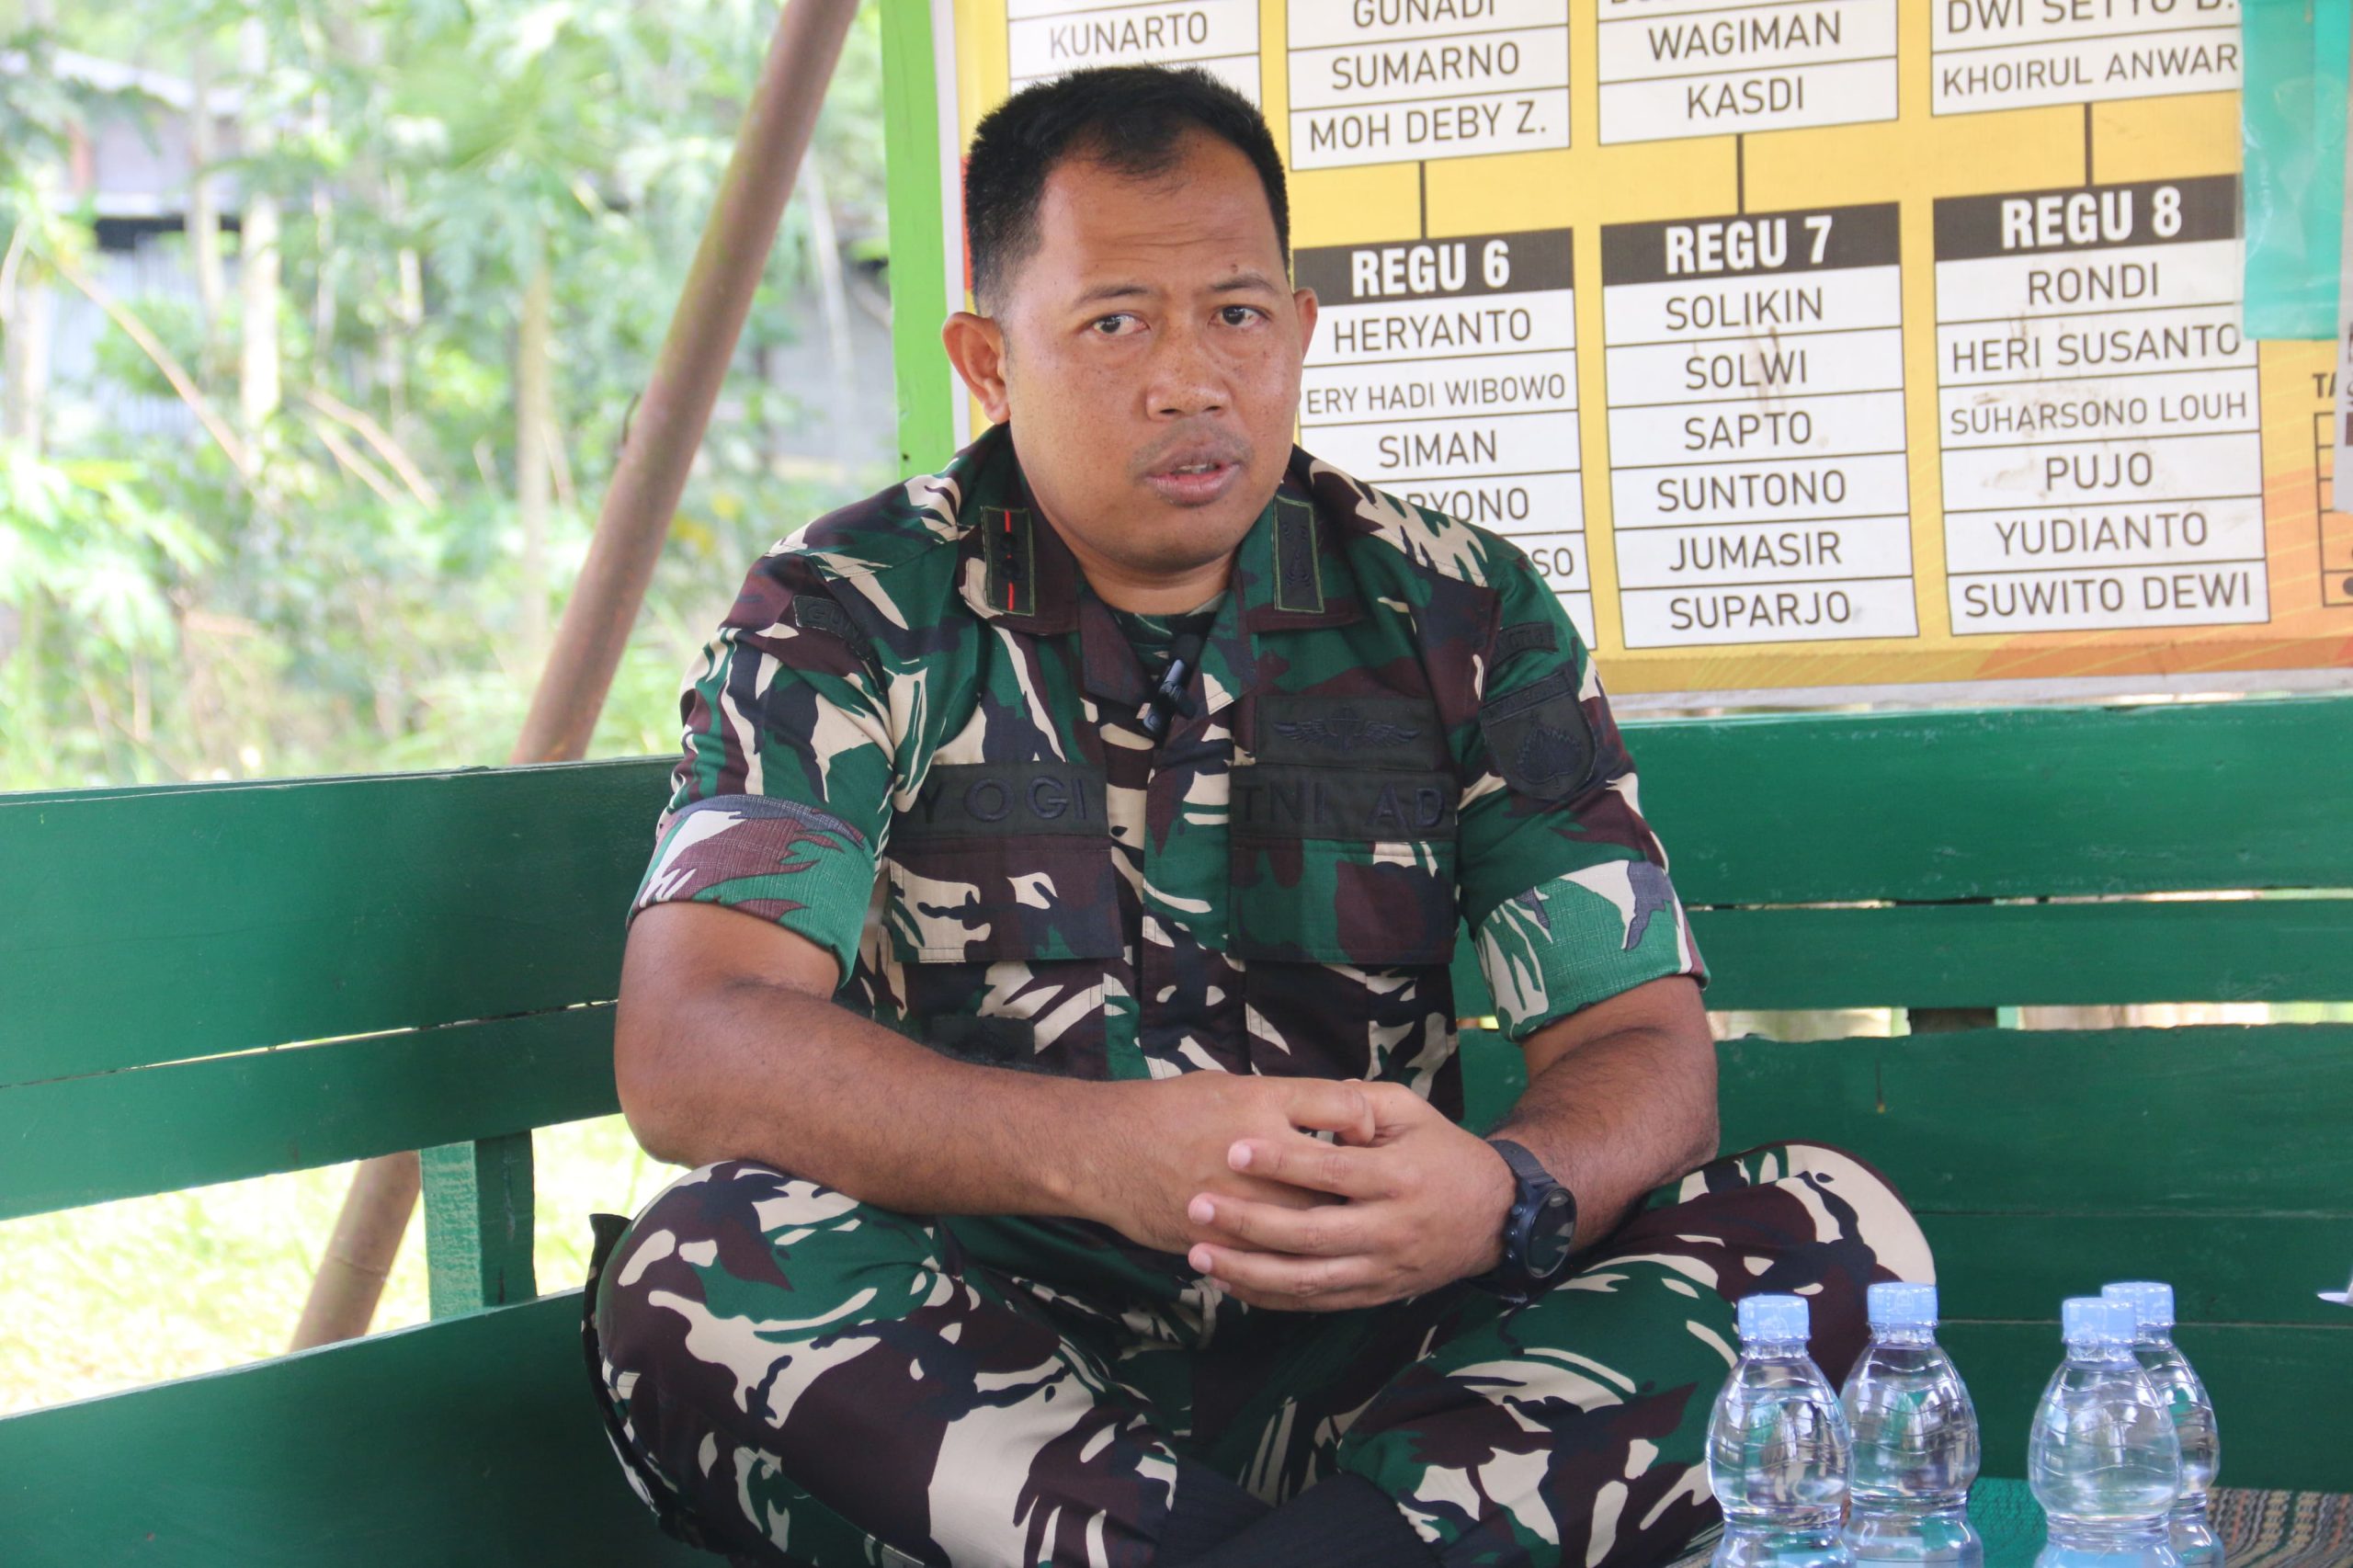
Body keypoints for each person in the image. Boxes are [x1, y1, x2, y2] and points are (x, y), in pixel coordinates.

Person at [584, 63, 1929, 1568]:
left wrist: (1503, 1191)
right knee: (696, 1267)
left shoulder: (1458, 608)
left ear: (1297, 330)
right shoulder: (848, 614)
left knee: (1828, 1233)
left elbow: (1643, 1049)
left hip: (1396, 1364)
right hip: (988, 1382)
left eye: (1235, 314)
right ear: (989, 360)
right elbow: (689, 1045)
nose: (1191, 380)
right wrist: (1094, 1153)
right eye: (1116, 323)